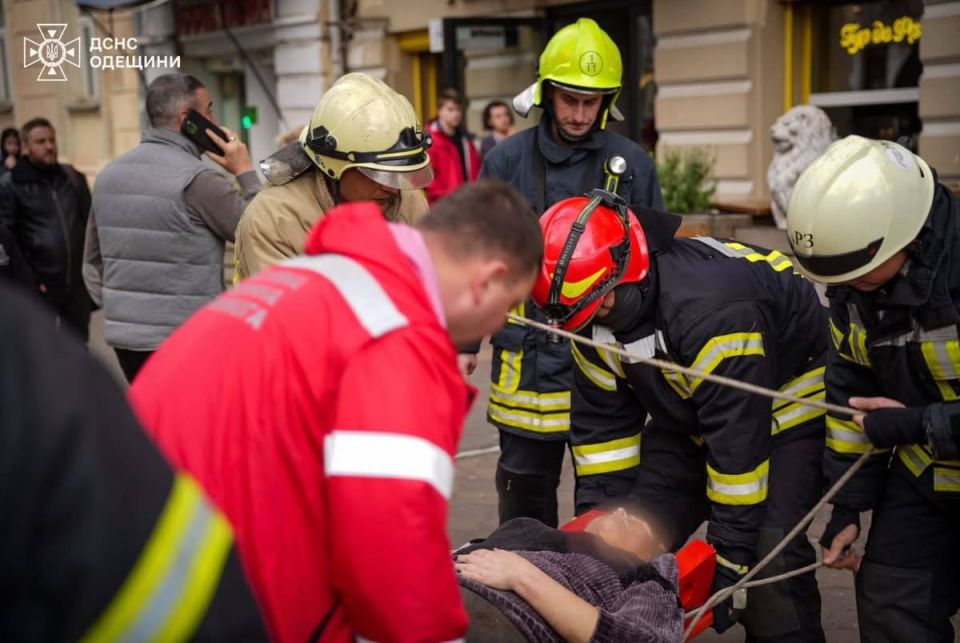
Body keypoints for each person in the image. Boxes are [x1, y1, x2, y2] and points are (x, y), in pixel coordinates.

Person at [129, 181, 543, 642]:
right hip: (194, 597)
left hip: (144, 553)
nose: (501, 323)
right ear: (486, 281)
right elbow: (389, 556)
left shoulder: (323, 278)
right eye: (508, 306)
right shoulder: (394, 338)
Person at [533, 190, 829, 639]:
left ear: (629, 272)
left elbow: (738, 454)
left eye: (604, 307)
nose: (596, 322)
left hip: (784, 410)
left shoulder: (713, 311)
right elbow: (602, 436)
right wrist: (599, 529)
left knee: (770, 557)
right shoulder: (586, 309)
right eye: (582, 317)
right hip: (690, 415)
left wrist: (730, 562)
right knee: (630, 535)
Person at [0, 282, 266, 641]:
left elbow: (91, 262)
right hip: (182, 321)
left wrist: (112, 298)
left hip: (128, 328)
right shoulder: (26, 358)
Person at [480, 17, 663, 529]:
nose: (581, 114)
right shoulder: (504, 162)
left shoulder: (632, 164)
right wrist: (466, 343)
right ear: (545, 94)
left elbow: (655, 271)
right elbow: (478, 261)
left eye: (592, 101)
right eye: (569, 100)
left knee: (605, 515)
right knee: (523, 511)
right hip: (526, 374)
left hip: (604, 370)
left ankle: (596, 605)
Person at [786, 135, 960, 642]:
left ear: (906, 235)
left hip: (922, 442)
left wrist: (916, 423)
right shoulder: (856, 283)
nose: (845, 285)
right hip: (926, 475)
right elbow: (850, 388)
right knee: (890, 601)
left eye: (855, 271)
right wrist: (848, 506)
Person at [83, 73, 261, 383]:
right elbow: (261, 232)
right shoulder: (199, 180)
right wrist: (245, 172)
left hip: (128, 343)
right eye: (209, 111)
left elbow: (91, 263)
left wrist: (123, 311)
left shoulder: (109, 176)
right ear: (187, 118)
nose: (215, 121)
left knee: (152, 425)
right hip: (190, 340)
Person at [235, 72, 431, 281]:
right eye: (379, 173)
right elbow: (290, 310)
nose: (393, 188)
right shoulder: (274, 219)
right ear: (333, 166)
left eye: (400, 173)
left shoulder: (410, 204)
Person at [455, 509, 682, 643]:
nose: (621, 511)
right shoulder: (527, 529)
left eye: (635, 522)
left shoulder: (641, 575)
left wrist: (522, 576)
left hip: (494, 617)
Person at [0, 117, 93, 341]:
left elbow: (90, 226)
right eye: (40, 141)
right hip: (40, 287)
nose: (49, 146)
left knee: (79, 347)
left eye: (52, 140)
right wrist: (29, 281)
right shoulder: (10, 185)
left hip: (76, 284)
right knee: (43, 349)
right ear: (25, 146)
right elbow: (9, 240)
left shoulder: (72, 177)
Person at [426, 88, 481, 204]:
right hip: (444, 206)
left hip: (467, 203)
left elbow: (475, 171)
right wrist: (443, 197)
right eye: (450, 110)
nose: (456, 114)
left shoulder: (465, 139)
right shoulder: (431, 140)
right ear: (440, 111)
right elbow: (428, 177)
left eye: (458, 110)